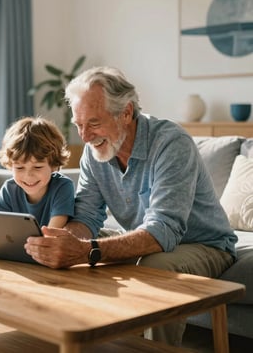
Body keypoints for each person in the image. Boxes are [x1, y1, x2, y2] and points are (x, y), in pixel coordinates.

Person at [24, 66, 237, 346]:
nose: (84, 136)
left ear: (125, 113)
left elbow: (164, 229)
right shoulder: (94, 152)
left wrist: (88, 249)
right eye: (79, 125)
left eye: (94, 123)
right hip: (148, 238)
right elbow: (86, 217)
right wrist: (59, 242)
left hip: (204, 244)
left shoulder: (171, 143)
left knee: (156, 267)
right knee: (63, 255)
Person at [0, 116, 75, 253]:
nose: (28, 176)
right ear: (10, 166)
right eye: (19, 168)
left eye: (37, 167)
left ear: (53, 165)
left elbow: (50, 237)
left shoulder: (63, 187)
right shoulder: (9, 189)